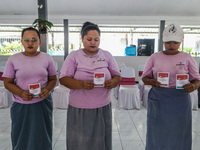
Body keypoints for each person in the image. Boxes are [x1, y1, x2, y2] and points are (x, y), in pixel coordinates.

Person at [59, 21, 121, 150]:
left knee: (100, 141)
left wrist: (113, 82)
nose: (93, 42)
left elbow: (117, 75)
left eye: (96, 39)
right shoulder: (74, 56)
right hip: (80, 108)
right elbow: (63, 79)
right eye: (89, 39)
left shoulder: (106, 55)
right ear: (82, 39)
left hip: (102, 107)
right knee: (80, 142)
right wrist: (80, 84)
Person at [142, 23, 200, 150]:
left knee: (180, 130)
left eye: (175, 42)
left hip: (180, 99)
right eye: (168, 42)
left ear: (181, 40)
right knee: (157, 130)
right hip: (159, 98)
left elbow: (197, 79)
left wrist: (193, 86)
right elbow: (145, 77)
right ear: (163, 40)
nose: (172, 45)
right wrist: (152, 81)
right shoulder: (154, 57)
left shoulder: (187, 58)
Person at [3, 27, 57, 150]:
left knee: (42, 135)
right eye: (26, 40)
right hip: (21, 104)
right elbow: (8, 82)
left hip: (42, 103)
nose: (30, 43)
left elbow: (53, 79)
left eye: (34, 39)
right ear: (22, 41)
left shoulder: (46, 58)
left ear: (39, 42)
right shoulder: (14, 59)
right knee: (21, 135)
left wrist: (47, 90)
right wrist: (21, 93)